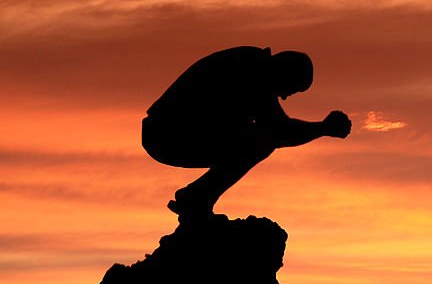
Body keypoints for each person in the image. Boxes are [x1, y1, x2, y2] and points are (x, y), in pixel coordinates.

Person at [142, 46, 351, 221]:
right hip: (168, 133)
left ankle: (196, 198)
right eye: (290, 89)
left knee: (258, 137)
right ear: (284, 72)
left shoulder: (253, 64)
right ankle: (195, 199)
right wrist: (323, 128)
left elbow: (279, 129)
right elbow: (280, 131)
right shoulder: (252, 71)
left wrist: (322, 129)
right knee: (261, 141)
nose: (284, 97)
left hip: (173, 130)